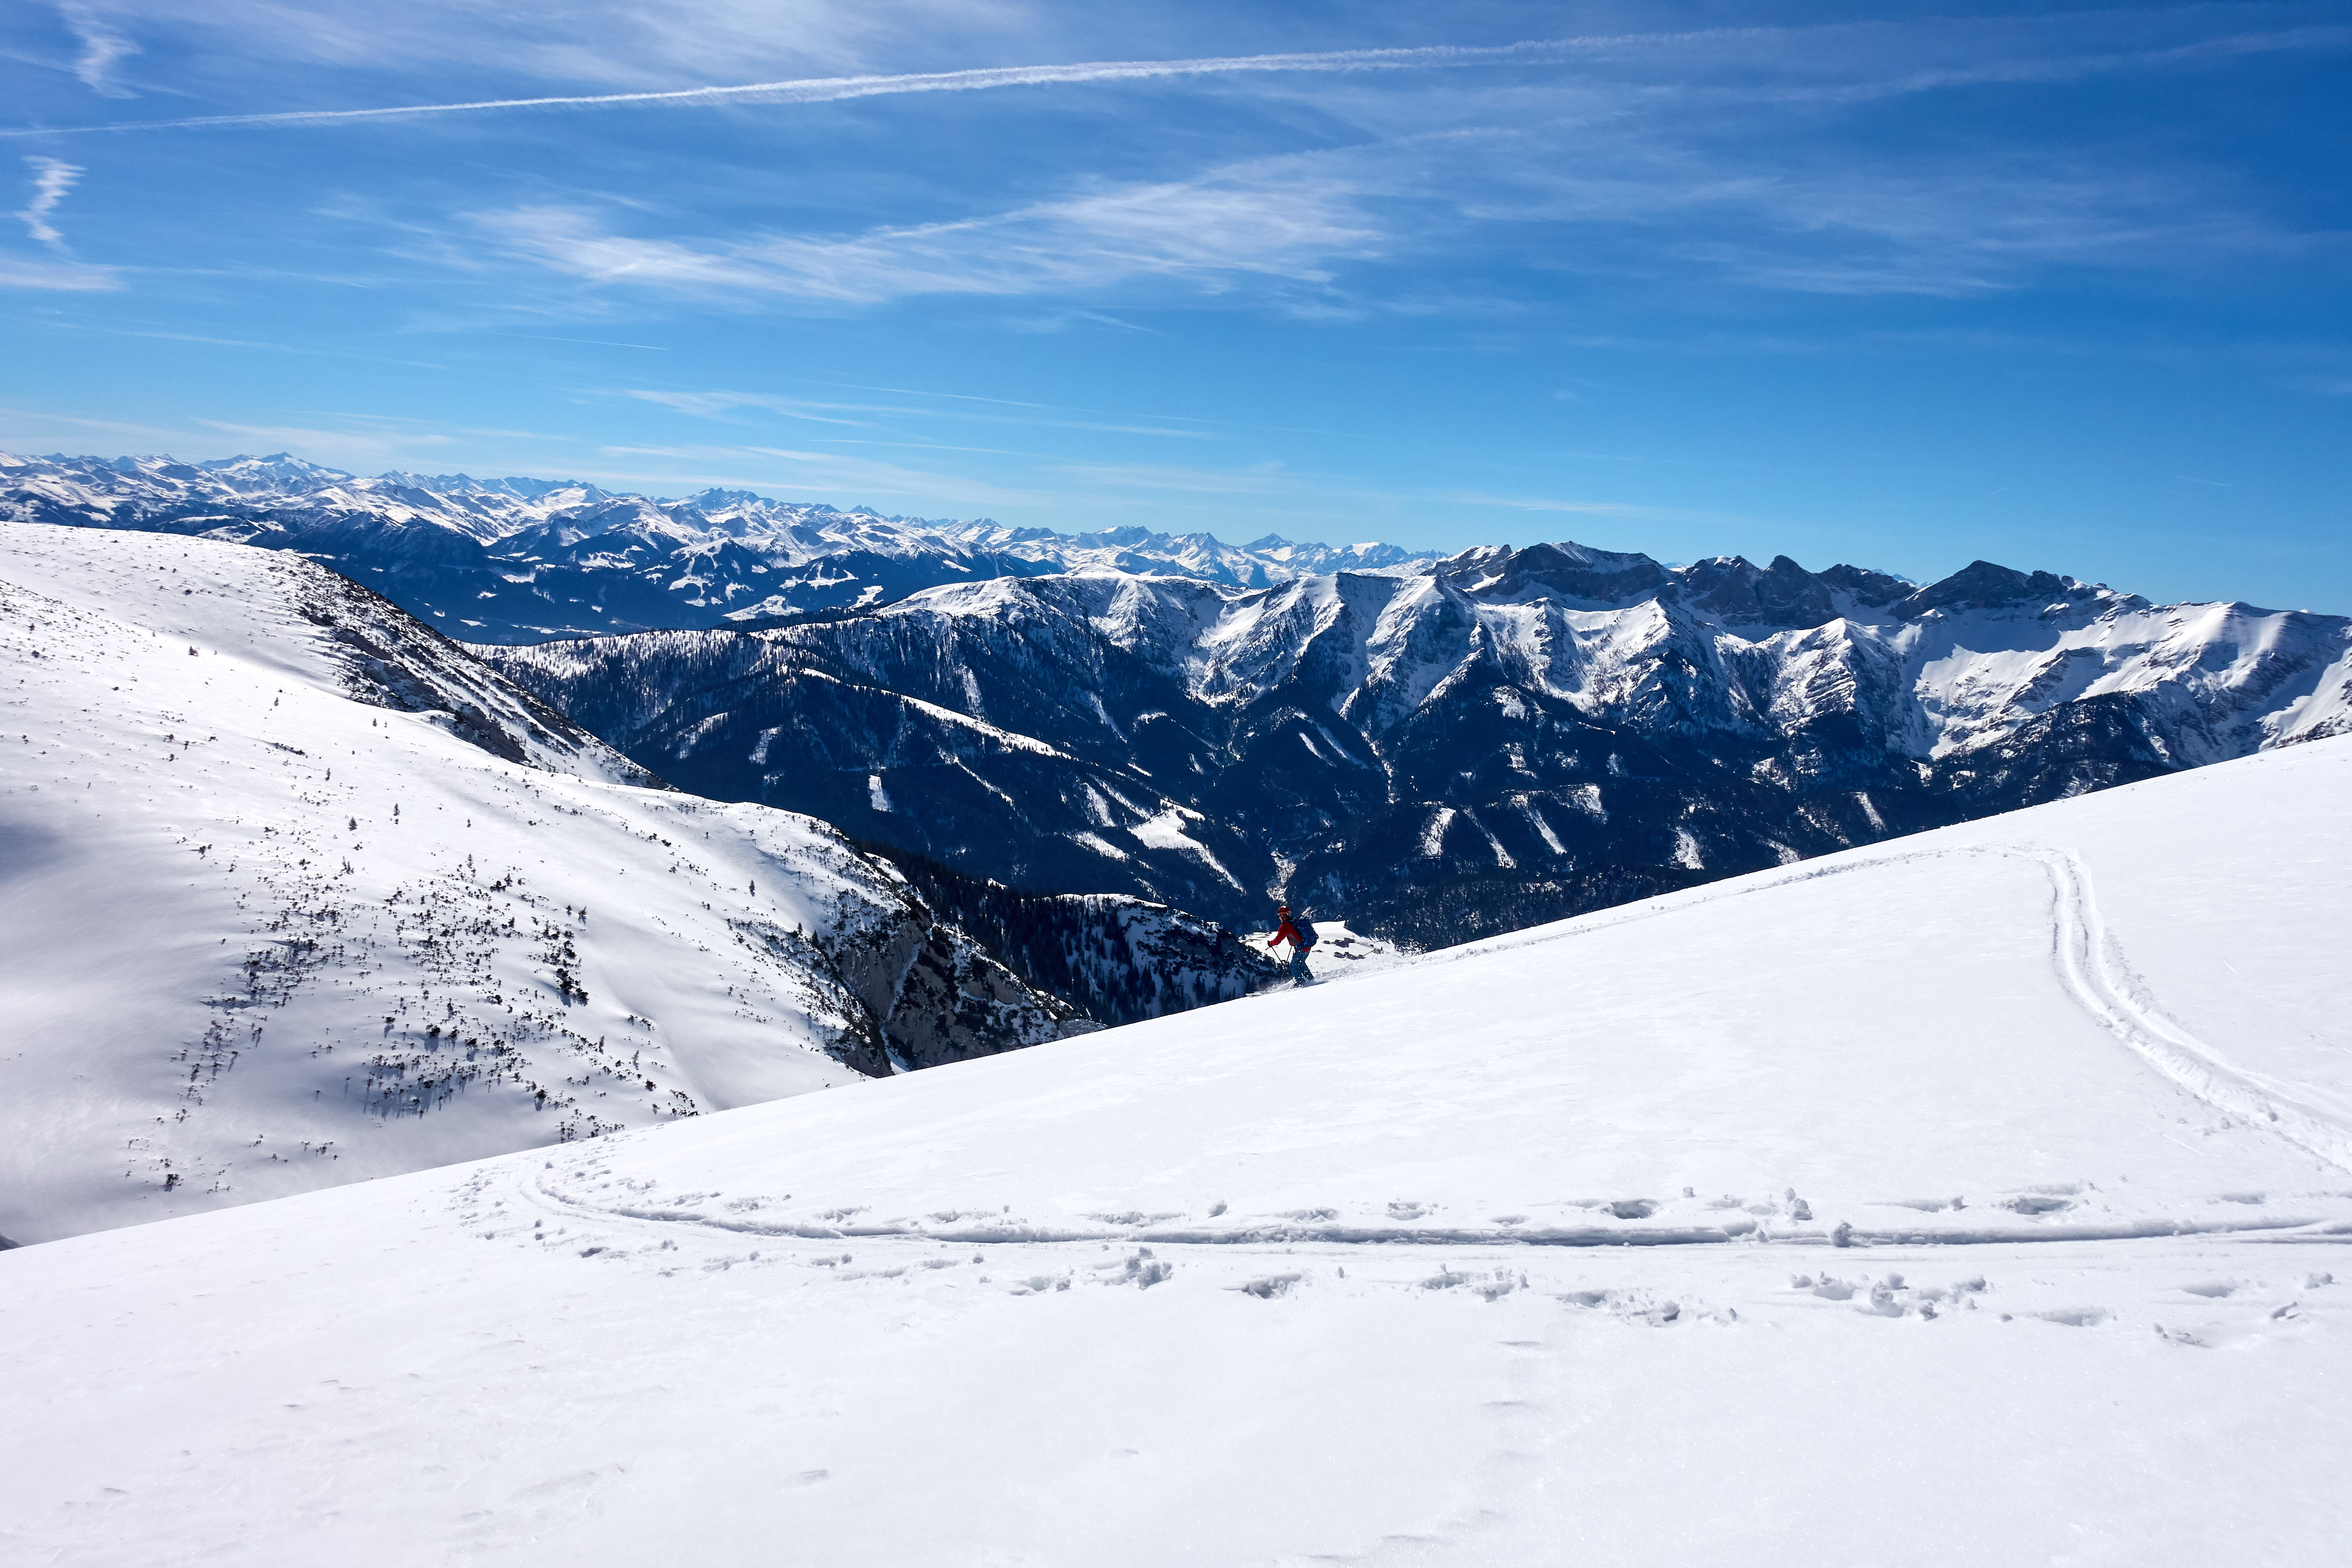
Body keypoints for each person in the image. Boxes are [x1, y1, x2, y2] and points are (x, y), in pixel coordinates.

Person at [1266, 903, 1317, 983]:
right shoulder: (1294, 921)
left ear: (1283, 915)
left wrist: (1271, 944)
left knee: (1293, 966)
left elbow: (1278, 940)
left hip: (1301, 949)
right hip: (1307, 946)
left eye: (1280, 916)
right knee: (1301, 963)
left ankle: (1301, 984)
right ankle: (1310, 980)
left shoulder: (1285, 926)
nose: (1279, 918)